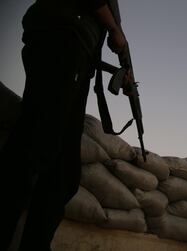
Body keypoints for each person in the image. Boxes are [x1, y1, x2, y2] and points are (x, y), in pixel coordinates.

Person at [0, 0, 131, 250]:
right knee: (34, 147)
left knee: (64, 172)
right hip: (62, 39)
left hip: (76, 51)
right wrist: (115, 30)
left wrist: (124, 67)